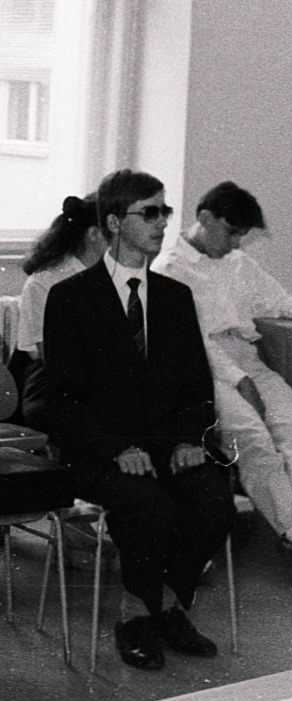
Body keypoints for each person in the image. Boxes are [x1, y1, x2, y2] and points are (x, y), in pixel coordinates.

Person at [42, 169, 237, 672]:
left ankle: (167, 604)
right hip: (99, 452)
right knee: (148, 507)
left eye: (164, 211)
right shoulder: (69, 299)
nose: (161, 222)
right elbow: (59, 400)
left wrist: (189, 439)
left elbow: (197, 387)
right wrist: (115, 448)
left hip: (165, 446)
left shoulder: (175, 298)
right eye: (148, 212)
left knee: (215, 503)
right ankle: (135, 616)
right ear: (112, 222)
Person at [153, 181, 292, 596]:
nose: (236, 242)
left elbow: (275, 299)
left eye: (241, 235)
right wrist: (240, 381)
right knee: (255, 441)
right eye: (232, 231)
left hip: (245, 356)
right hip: (202, 369)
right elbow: (193, 342)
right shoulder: (169, 269)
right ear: (204, 218)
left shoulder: (237, 262)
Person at [9, 193, 105, 427]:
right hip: (52, 378)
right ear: (94, 234)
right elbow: (46, 353)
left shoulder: (118, 276)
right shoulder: (46, 281)